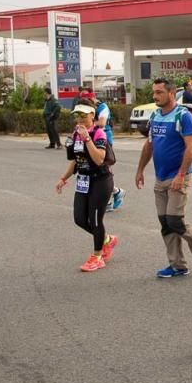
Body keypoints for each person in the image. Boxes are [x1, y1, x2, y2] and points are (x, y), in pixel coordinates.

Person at [135, 77, 192, 278]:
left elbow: (191, 147)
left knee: (175, 220)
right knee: (166, 223)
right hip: (160, 178)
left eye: (159, 92)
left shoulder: (183, 116)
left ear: (171, 92)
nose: (155, 96)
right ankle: (177, 265)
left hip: (179, 177)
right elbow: (149, 145)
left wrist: (181, 174)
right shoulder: (156, 115)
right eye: (154, 92)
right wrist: (140, 170)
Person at [56, 103, 118, 272]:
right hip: (83, 180)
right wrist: (63, 178)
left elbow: (99, 159)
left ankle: (97, 256)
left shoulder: (99, 133)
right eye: (77, 116)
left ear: (93, 115)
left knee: (96, 219)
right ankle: (106, 239)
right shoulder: (75, 134)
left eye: (84, 115)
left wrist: (87, 139)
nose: (80, 119)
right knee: (80, 219)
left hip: (101, 180)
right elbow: (75, 160)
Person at [89, 92, 126, 211]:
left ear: (92, 97)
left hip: (104, 140)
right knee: (97, 170)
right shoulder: (90, 108)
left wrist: (88, 123)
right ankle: (115, 192)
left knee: (105, 169)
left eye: (86, 97)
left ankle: (110, 198)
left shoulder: (102, 107)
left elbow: (102, 123)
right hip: (92, 139)